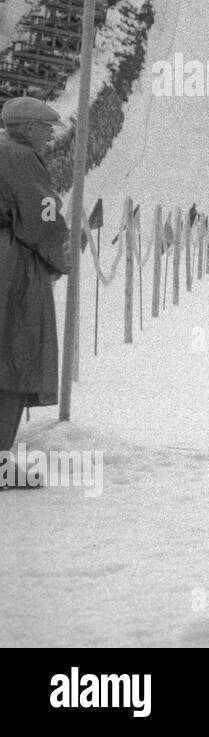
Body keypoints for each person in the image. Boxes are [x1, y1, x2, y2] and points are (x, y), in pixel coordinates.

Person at [1, 97, 71, 488]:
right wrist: (60, 259)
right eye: (46, 128)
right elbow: (43, 217)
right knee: (16, 355)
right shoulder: (23, 159)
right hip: (11, 266)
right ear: (27, 128)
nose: (50, 136)